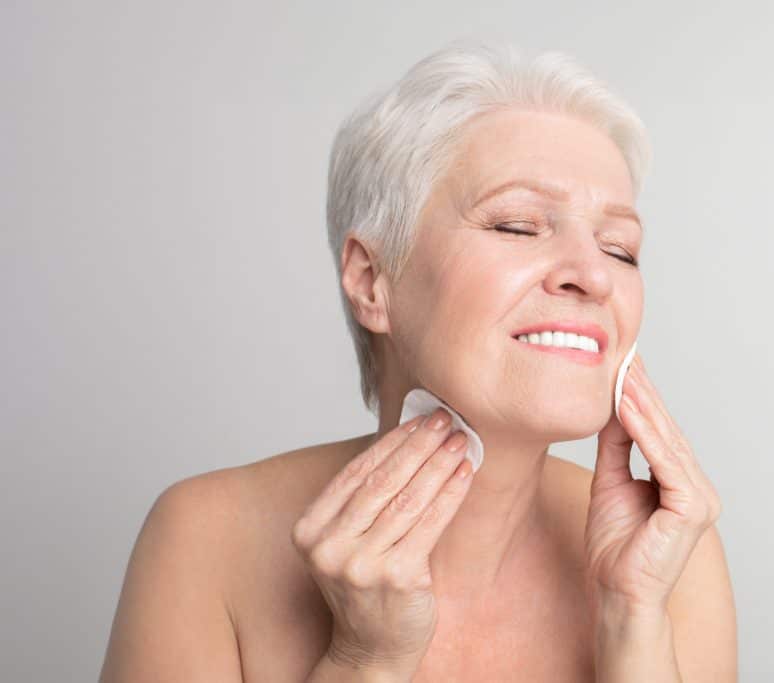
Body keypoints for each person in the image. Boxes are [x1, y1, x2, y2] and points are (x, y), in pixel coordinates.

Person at [99, 39, 738, 682]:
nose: (593, 276)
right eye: (517, 225)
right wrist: (365, 661)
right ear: (372, 280)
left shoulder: (669, 557)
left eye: (620, 249)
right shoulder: (207, 542)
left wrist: (633, 622)